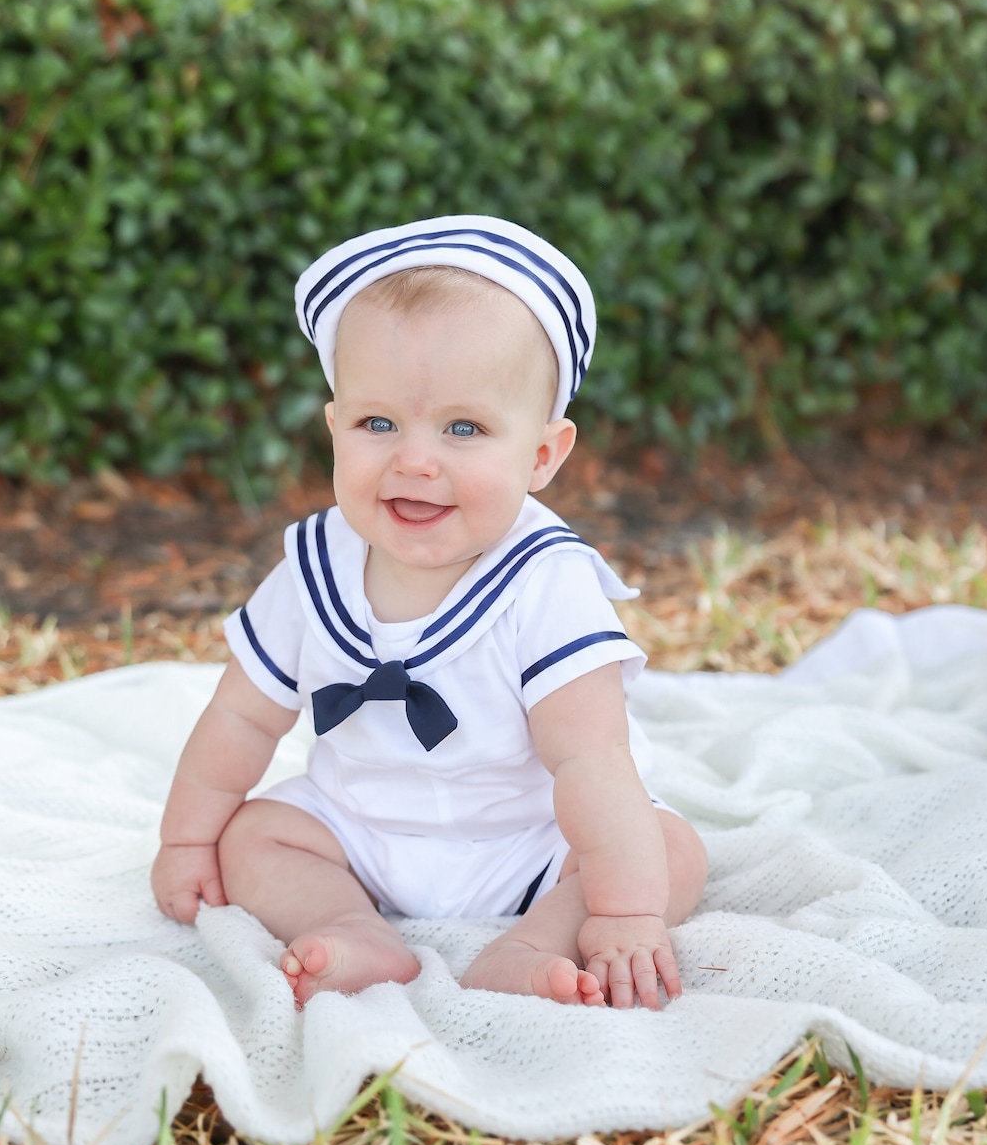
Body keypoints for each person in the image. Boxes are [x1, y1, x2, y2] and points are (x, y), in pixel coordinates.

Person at [151, 217, 707, 1009]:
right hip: (359, 830)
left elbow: (592, 760)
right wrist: (187, 838)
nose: (415, 458)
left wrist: (624, 912)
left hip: (533, 840)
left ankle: (532, 944)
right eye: (379, 424)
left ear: (543, 456)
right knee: (256, 837)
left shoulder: (543, 579)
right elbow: (240, 720)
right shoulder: (315, 569)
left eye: (464, 428)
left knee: (666, 851)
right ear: (335, 428)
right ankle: (356, 931)